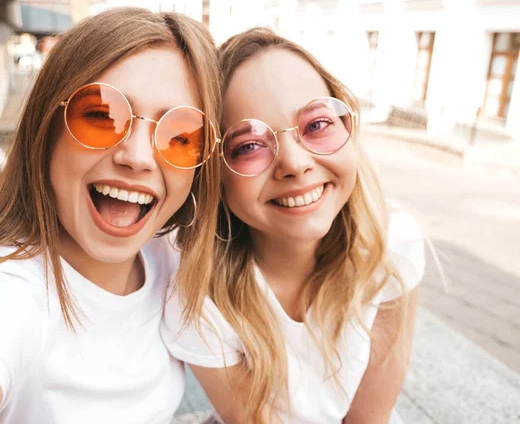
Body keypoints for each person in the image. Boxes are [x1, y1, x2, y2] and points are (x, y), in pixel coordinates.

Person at [0, 7, 222, 424]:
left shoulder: (167, 259)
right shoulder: (0, 296)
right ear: (47, 129)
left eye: (180, 135)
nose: (137, 157)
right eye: (101, 115)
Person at [163, 28, 425, 424]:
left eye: (316, 125)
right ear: (215, 173)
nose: (295, 163)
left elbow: (370, 416)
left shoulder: (392, 244)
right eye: (249, 145)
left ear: (347, 125)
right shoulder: (196, 294)